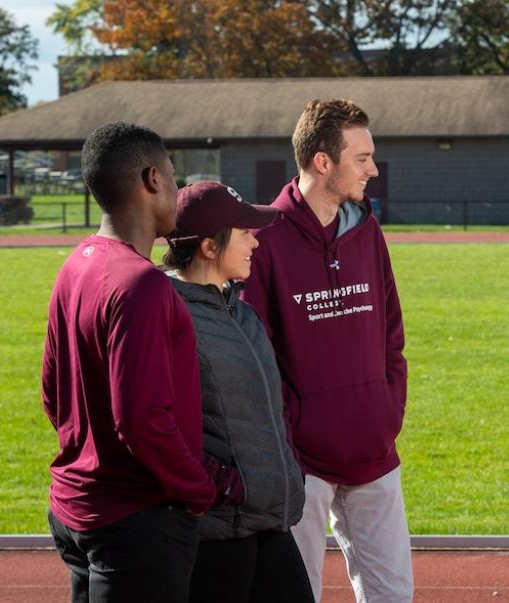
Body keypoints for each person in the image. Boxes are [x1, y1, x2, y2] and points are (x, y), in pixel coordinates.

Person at [242, 98, 411, 603]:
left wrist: (387, 413)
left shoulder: (366, 230)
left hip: (375, 450)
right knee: (295, 595)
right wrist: (292, 430)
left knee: (392, 595)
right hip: (301, 462)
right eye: (361, 158)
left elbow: (392, 333)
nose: (373, 169)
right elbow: (257, 350)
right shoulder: (262, 238)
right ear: (323, 161)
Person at [41, 122, 217, 602]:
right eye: (174, 176)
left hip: (78, 506)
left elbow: (52, 391)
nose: (178, 190)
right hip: (136, 517)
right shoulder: (142, 284)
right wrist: (197, 489)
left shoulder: (75, 265)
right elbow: (140, 419)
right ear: (152, 179)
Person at [163, 181, 313, 603]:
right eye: (244, 231)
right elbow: (158, 422)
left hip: (266, 518)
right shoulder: (171, 317)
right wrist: (224, 485)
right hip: (216, 531)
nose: (255, 240)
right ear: (210, 247)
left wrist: (289, 464)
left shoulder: (243, 314)